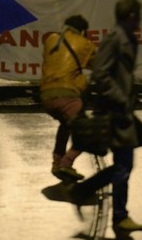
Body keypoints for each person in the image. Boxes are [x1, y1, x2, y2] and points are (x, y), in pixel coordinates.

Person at [70, 0, 142, 235]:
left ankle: (118, 214)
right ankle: (98, 200)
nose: (140, 20)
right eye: (138, 16)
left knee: (124, 164)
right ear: (130, 16)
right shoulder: (115, 39)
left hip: (122, 108)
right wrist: (120, 97)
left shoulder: (126, 38)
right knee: (124, 165)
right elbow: (100, 73)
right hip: (114, 110)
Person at [40, 15, 97, 181]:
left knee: (65, 125)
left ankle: (56, 163)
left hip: (46, 97)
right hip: (68, 96)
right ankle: (66, 163)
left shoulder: (51, 40)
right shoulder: (85, 44)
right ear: (83, 31)